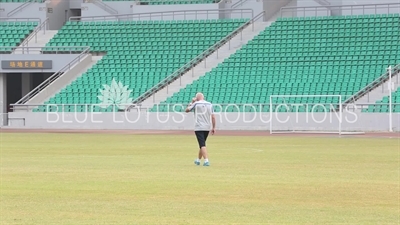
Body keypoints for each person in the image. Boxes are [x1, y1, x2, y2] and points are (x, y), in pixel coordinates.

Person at [185, 92, 216, 166]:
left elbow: (187, 110)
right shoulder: (209, 104)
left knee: (202, 144)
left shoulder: (196, 104)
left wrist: (192, 102)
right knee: (202, 144)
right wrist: (214, 127)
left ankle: (206, 160)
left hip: (199, 127)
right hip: (207, 127)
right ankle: (198, 160)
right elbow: (213, 116)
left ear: (197, 98)